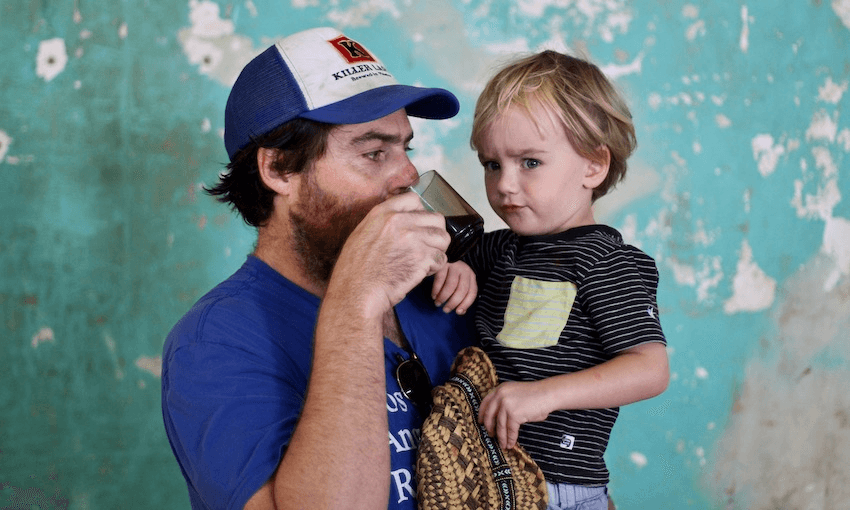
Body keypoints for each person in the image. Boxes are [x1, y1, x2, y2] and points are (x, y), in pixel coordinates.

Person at [161, 27, 475, 510]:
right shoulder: (214, 341)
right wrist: (355, 305)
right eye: (374, 153)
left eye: (405, 149)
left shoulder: (444, 290)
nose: (408, 176)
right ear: (279, 169)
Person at [431, 50, 670, 510]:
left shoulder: (607, 262)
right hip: (482, 478)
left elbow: (649, 368)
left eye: (530, 163)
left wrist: (546, 395)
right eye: (491, 164)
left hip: (558, 489)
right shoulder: (495, 247)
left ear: (593, 166)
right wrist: (453, 263)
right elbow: (431, 247)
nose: (504, 185)